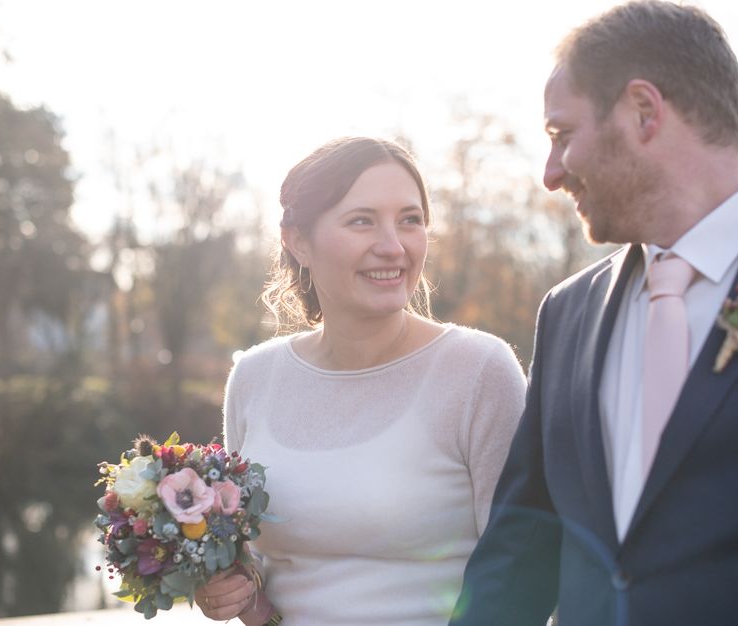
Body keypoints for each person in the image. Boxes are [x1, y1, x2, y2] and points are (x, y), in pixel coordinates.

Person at [451, 2, 738, 625]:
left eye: (561, 135)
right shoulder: (568, 312)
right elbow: (522, 548)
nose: (550, 175)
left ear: (643, 112)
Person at [194, 136, 528, 625]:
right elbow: (258, 569)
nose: (393, 246)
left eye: (410, 220)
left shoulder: (480, 370)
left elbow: (519, 575)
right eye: (362, 221)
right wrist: (229, 591)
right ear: (298, 240)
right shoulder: (254, 377)